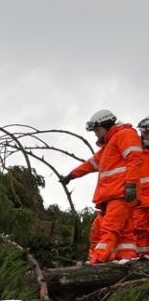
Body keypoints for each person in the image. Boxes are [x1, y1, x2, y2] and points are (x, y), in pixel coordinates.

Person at [59, 109, 143, 264]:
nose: (96, 134)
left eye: (97, 130)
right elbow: (91, 164)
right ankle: (126, 259)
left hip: (121, 193)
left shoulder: (125, 135)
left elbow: (135, 159)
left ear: (106, 125)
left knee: (109, 228)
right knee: (124, 231)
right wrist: (71, 175)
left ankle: (97, 260)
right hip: (117, 194)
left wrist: (130, 184)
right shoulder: (109, 145)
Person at [131, 116, 149, 257]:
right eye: (146, 133)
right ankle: (142, 261)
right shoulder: (134, 151)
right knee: (138, 231)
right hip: (139, 201)